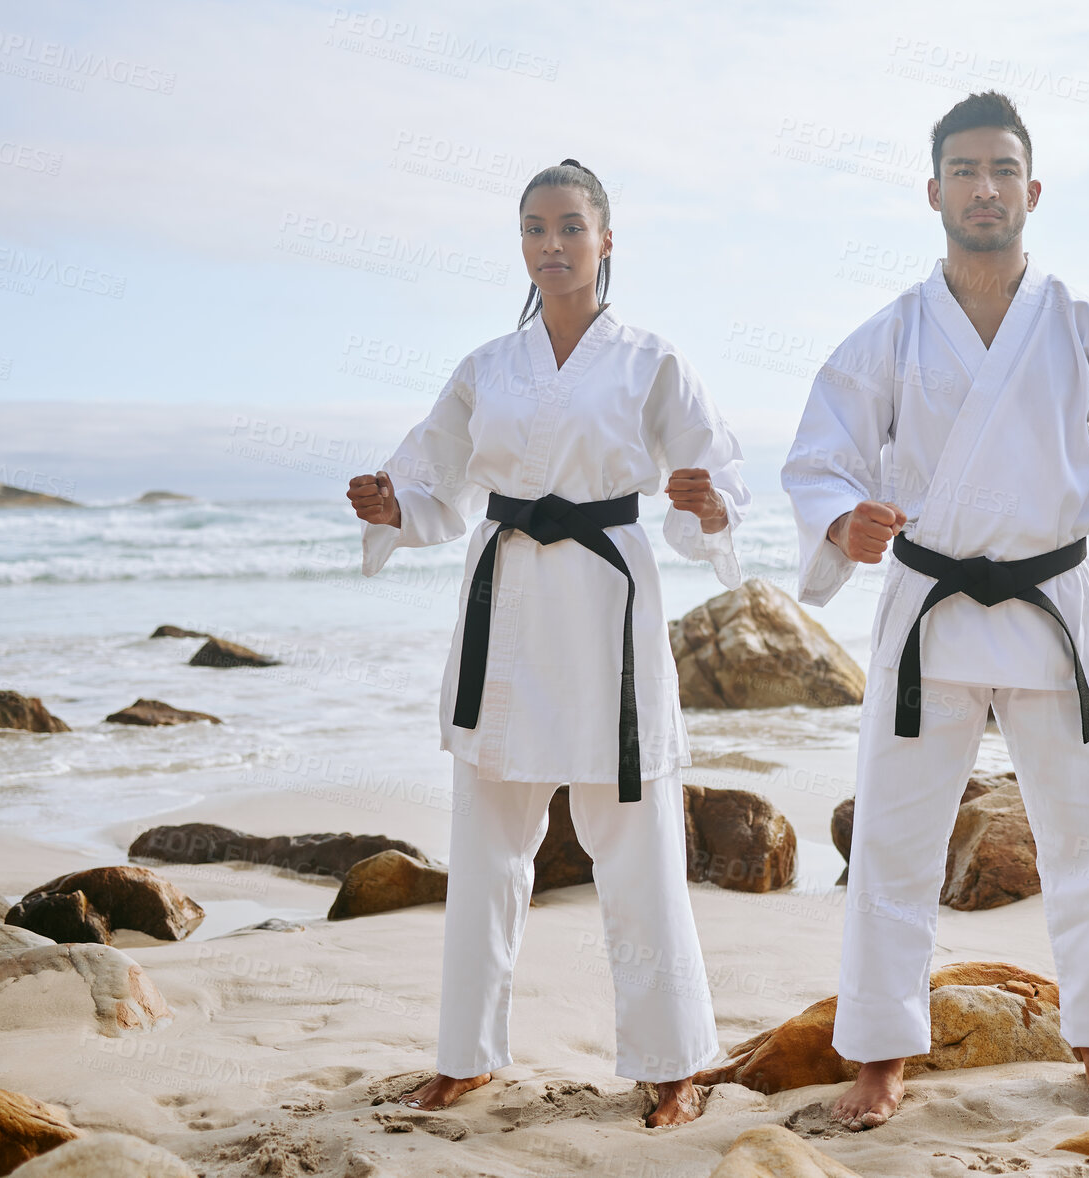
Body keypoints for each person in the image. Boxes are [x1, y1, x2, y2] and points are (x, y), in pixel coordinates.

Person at [781, 91, 1089, 1130]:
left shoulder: (1082, 325)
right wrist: (846, 523)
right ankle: (881, 1052)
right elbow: (821, 456)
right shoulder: (889, 334)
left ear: (1033, 187)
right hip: (928, 605)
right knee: (893, 836)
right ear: (933, 190)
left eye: (1002, 169)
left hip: (1050, 600)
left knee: (1087, 833)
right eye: (964, 170)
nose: (984, 187)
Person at [346, 158, 749, 1127]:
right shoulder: (488, 365)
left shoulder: (652, 359)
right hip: (510, 601)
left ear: (607, 241)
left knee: (639, 844)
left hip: (606, 600)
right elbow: (434, 479)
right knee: (485, 846)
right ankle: (466, 1053)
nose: (552, 244)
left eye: (571, 226)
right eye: (534, 228)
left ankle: (671, 1062)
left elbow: (715, 478)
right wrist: (394, 503)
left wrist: (709, 502)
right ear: (520, 244)